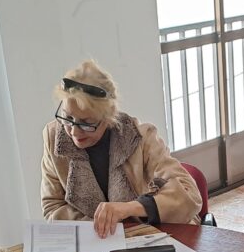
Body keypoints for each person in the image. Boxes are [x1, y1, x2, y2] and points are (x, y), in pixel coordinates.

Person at [40, 59, 202, 236]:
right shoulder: (54, 137)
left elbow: (189, 193)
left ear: (108, 117)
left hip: (148, 236)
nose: (74, 132)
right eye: (67, 118)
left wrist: (130, 208)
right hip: (94, 242)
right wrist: (101, 225)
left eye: (87, 123)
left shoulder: (140, 137)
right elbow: (52, 207)